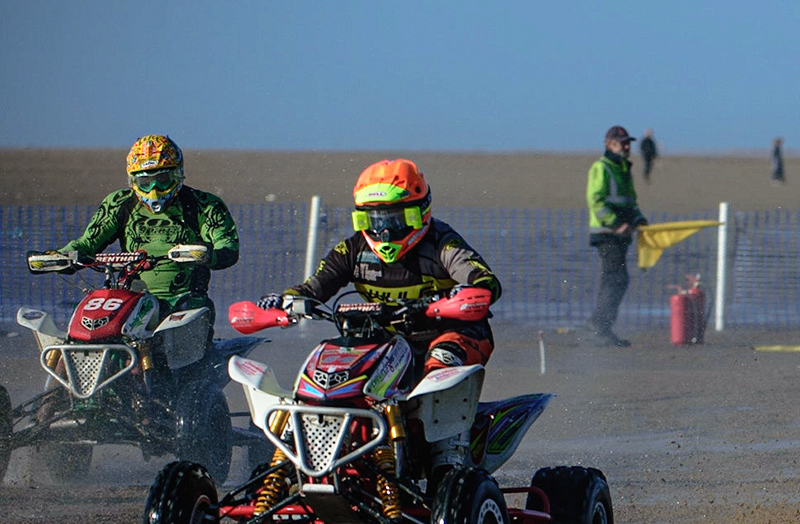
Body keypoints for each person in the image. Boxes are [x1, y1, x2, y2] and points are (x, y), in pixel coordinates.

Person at [261, 159, 501, 468]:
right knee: (334, 364)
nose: (385, 230)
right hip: (385, 340)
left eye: (397, 219)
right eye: (373, 220)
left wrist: (459, 296)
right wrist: (284, 302)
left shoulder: (443, 243)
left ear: (421, 212)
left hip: (452, 333)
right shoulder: (353, 250)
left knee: (440, 362)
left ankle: (449, 460)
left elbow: (485, 282)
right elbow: (315, 286)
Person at [51, 134, 239, 385]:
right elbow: (87, 243)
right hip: (128, 299)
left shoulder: (205, 205)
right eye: (145, 181)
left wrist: (207, 255)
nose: (154, 190)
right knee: (80, 336)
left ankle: (159, 403)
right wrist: (62, 257)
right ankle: (58, 399)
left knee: (170, 362)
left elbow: (228, 248)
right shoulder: (119, 203)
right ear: (133, 180)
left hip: (183, 302)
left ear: (178, 174)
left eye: (162, 180)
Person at [585, 125, 647, 346]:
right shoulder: (602, 167)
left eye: (628, 142)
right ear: (609, 144)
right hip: (607, 234)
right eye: (623, 142)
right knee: (615, 279)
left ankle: (601, 327)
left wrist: (638, 219)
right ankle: (598, 327)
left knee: (615, 280)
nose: (627, 146)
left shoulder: (622, 167)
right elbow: (596, 201)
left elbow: (630, 201)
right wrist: (616, 224)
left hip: (621, 234)